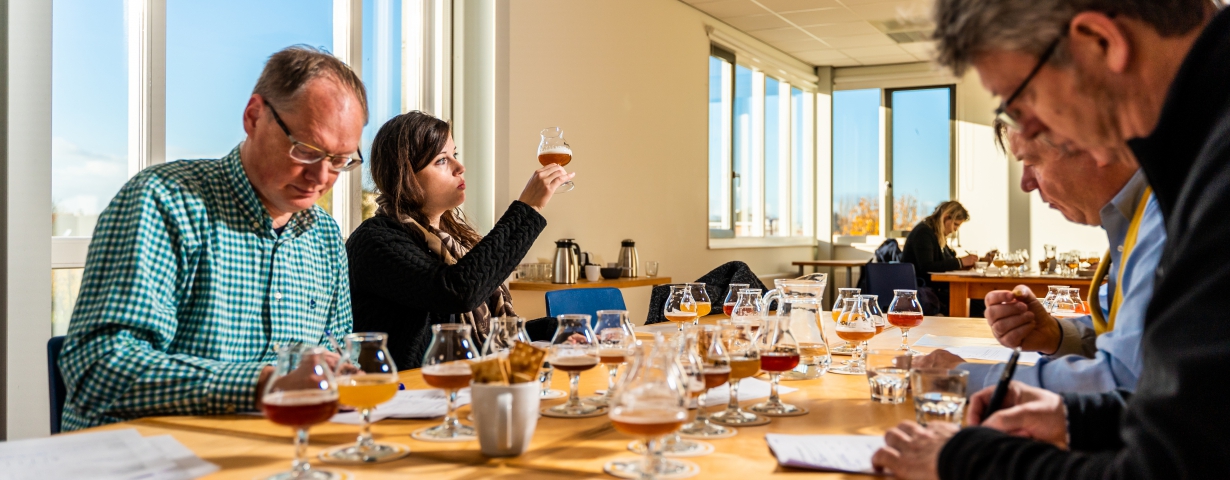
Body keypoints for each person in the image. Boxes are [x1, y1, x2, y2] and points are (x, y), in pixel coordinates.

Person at [873, 0, 1230, 478]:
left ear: (1101, 43)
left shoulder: (1212, 173)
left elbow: (1165, 468)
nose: (1038, 133)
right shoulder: (1199, 156)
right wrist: (1077, 418)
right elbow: (1194, 411)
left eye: (1024, 105)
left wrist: (962, 458)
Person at [58, 46, 364, 431]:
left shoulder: (325, 236)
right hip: (139, 450)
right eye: (306, 150)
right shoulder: (164, 202)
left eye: (339, 160)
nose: (321, 178)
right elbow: (97, 368)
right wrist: (264, 384)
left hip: (267, 447)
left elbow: (337, 356)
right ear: (254, 116)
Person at [913, 121, 1164, 394]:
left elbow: (1128, 381)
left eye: (1032, 162)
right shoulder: (1133, 220)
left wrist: (966, 377)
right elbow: (1119, 333)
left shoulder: (1163, 222)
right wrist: (1055, 334)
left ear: (1092, 144)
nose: (1026, 183)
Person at [346, 111, 573, 370]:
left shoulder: (454, 241)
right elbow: (457, 292)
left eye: (455, 154)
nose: (459, 167)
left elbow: (484, 336)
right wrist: (528, 208)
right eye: (442, 160)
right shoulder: (374, 241)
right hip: (408, 391)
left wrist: (556, 330)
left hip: (466, 383)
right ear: (405, 175)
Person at [900, 201, 980, 314]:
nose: (955, 230)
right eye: (955, 224)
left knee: (979, 302)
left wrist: (963, 264)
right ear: (946, 217)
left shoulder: (936, 234)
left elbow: (947, 260)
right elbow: (927, 267)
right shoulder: (923, 233)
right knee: (978, 305)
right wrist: (960, 262)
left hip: (935, 288)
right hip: (925, 292)